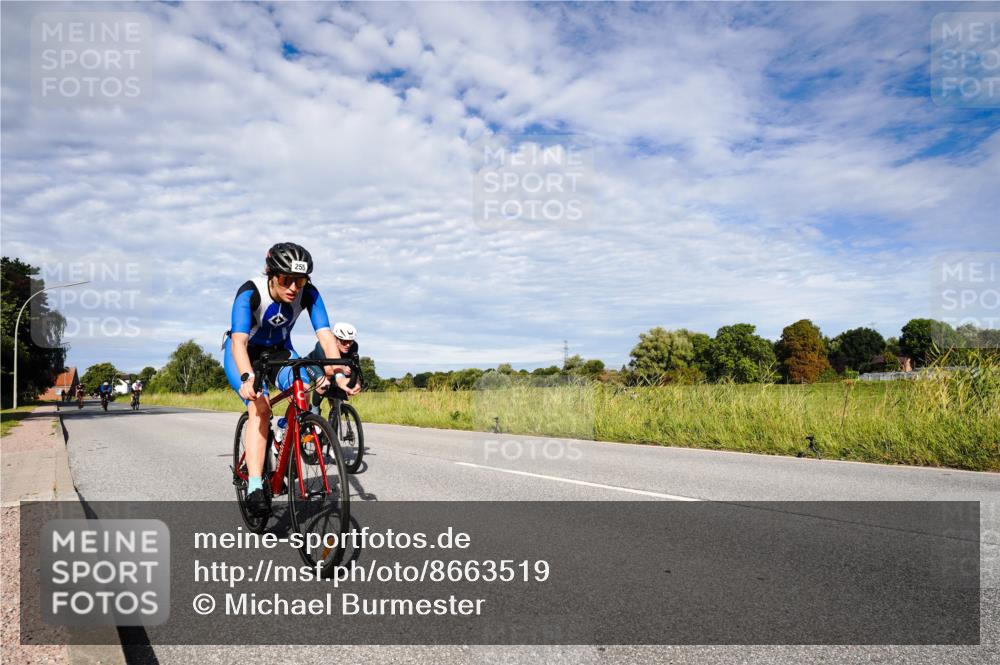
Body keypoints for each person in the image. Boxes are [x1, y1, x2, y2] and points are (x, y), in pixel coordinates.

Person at [222, 243, 349, 517]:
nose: (293, 287)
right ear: (271, 275)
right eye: (286, 280)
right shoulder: (250, 292)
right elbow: (239, 342)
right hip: (245, 354)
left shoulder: (309, 294)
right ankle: (256, 485)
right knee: (259, 407)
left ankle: (285, 431)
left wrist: (337, 371)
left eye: (300, 280)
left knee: (302, 387)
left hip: (279, 351)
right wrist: (247, 377)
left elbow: (326, 336)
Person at [305, 322, 362, 415]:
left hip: (335, 369)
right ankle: (315, 410)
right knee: (323, 383)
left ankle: (332, 422)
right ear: (335, 339)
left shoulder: (354, 346)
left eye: (350, 341)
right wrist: (343, 368)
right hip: (313, 365)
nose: (348, 345)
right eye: (344, 341)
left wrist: (357, 381)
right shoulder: (322, 345)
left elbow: (355, 367)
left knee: (336, 401)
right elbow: (328, 371)